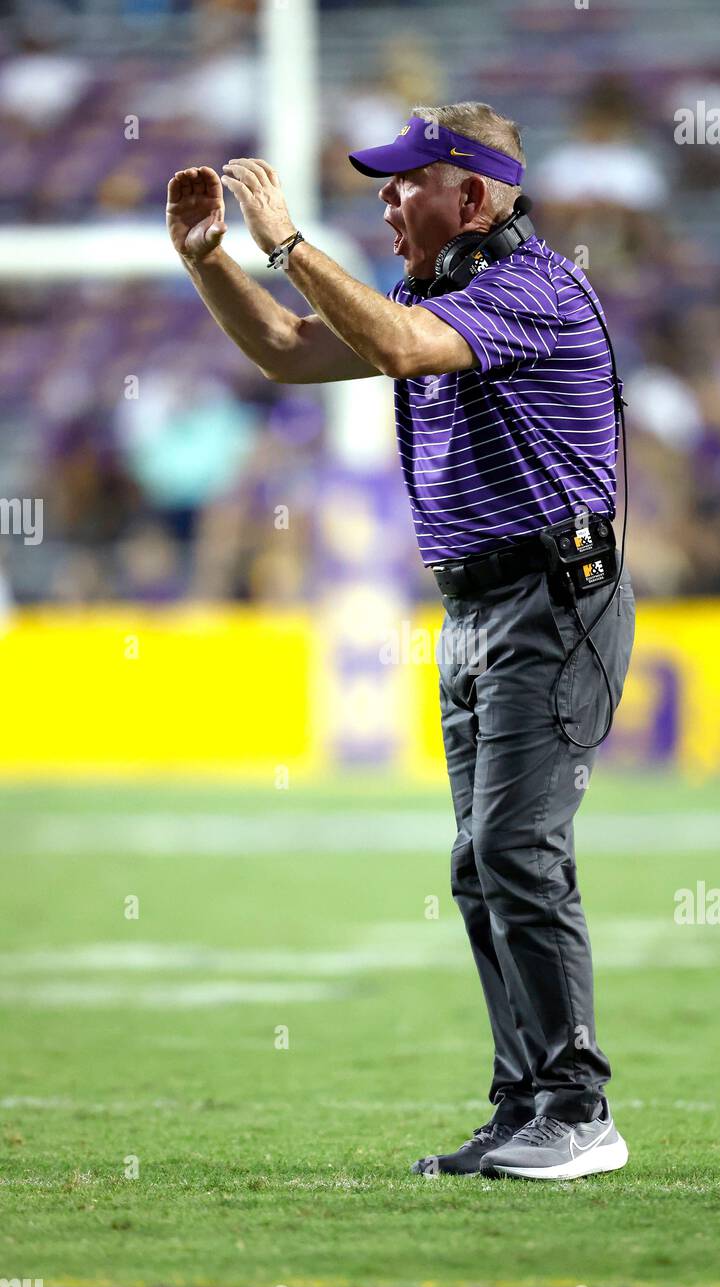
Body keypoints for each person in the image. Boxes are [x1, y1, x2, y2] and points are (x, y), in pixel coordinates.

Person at [166, 100, 635, 1181]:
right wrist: (209, 264)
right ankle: (524, 1105)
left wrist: (286, 243)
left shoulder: (529, 287)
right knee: (480, 865)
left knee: (518, 853)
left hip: (548, 600)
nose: (384, 197)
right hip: (478, 606)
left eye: (403, 181)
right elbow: (289, 351)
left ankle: (578, 1110)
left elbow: (402, 350)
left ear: (471, 196)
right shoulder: (446, 288)